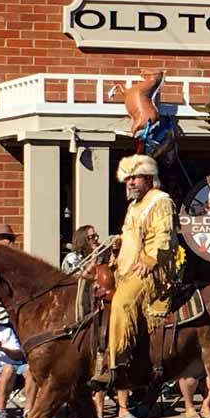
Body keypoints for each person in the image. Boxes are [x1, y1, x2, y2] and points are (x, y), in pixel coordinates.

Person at [90, 154, 180, 395]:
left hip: (151, 272)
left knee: (122, 302)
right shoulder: (133, 206)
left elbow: (164, 234)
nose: (130, 183)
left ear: (149, 178)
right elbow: (129, 236)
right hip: (126, 269)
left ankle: (116, 365)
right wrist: (116, 247)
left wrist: (151, 259)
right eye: (128, 178)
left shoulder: (159, 200)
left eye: (136, 177)